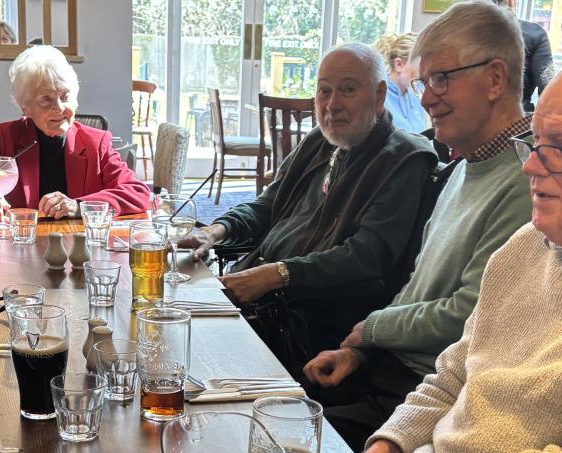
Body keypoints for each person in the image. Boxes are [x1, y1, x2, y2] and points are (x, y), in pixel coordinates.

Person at [358, 72, 562, 453]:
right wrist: (383, 451)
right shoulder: (525, 246)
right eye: (536, 144)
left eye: (559, 147)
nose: (530, 166)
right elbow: (453, 374)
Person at [304, 0, 533, 453]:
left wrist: (372, 329)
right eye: (425, 82)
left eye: (442, 78)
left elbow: (469, 314)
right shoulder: (465, 166)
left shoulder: (531, 182)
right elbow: (419, 287)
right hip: (390, 373)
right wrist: (359, 351)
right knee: (260, 413)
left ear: (495, 78)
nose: (426, 98)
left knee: (276, 451)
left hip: (435, 400)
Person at [182, 44, 438, 356]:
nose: (332, 104)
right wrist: (215, 231)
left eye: (348, 89)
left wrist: (277, 275)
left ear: (379, 95)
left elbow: (367, 256)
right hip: (256, 293)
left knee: (179, 347)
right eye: (324, 91)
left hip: (304, 324)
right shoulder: (320, 140)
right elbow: (268, 204)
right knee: (157, 317)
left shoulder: (404, 158)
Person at [0, 45, 149, 220]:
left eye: (65, 96)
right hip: (21, 236)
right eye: (46, 99)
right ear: (25, 107)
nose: (59, 108)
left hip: (79, 237)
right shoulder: (5, 138)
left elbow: (137, 192)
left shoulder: (95, 143)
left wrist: (79, 206)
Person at [493, 0, 554, 111]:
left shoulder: (464, 33)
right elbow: (548, 88)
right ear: (511, 2)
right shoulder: (535, 34)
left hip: (470, 115)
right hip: (518, 115)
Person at [374, 33, 427, 134]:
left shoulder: (416, 97)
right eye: (420, 65)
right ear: (398, 65)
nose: (425, 72)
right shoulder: (378, 97)